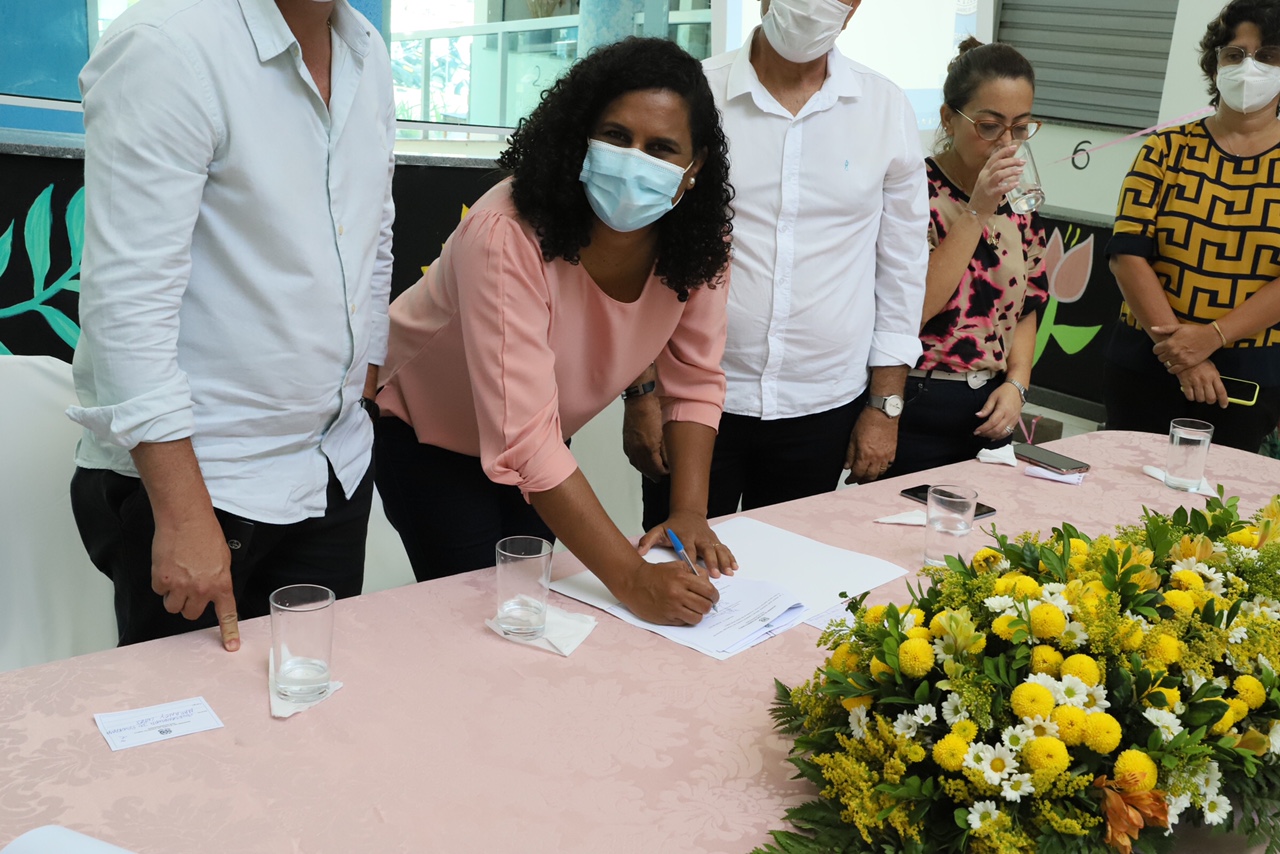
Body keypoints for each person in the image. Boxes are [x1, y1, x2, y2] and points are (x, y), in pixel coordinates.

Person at [67, 0, 395, 651]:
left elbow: (372, 231)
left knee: (312, 695)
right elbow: (125, 305)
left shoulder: (368, 51)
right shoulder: (167, 45)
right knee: (190, 711)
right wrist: (183, 513)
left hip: (332, 466)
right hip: (203, 483)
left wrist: (362, 386)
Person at [373, 38, 735, 627]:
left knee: (538, 603)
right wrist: (633, 579)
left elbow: (694, 379)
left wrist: (689, 512)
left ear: (693, 169)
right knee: (487, 614)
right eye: (616, 136)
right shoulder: (505, 232)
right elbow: (525, 440)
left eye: (661, 148)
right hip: (428, 435)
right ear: (579, 137)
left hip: (540, 435)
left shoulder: (700, 243)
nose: (635, 160)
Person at [625, 0, 929, 531]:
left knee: (793, 568)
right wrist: (641, 390)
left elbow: (902, 265)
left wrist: (886, 405)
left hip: (824, 403)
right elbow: (640, 242)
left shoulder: (885, 108)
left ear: (855, 6)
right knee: (678, 562)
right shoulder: (695, 94)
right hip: (691, 397)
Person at [1104, 0, 1280, 452]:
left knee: (1221, 495)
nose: (1249, 68)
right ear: (1215, 64)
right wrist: (1184, 357)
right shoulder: (1165, 149)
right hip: (1147, 362)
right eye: (1235, 54)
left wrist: (1211, 338)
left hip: (1244, 379)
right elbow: (1127, 255)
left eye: (1268, 56)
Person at [882, 39, 1047, 478]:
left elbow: (1029, 304)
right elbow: (914, 307)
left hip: (989, 405)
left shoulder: (1020, 202)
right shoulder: (913, 191)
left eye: (1021, 128)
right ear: (948, 119)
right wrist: (977, 211)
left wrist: (1017, 385)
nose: (1006, 143)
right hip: (916, 398)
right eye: (990, 126)